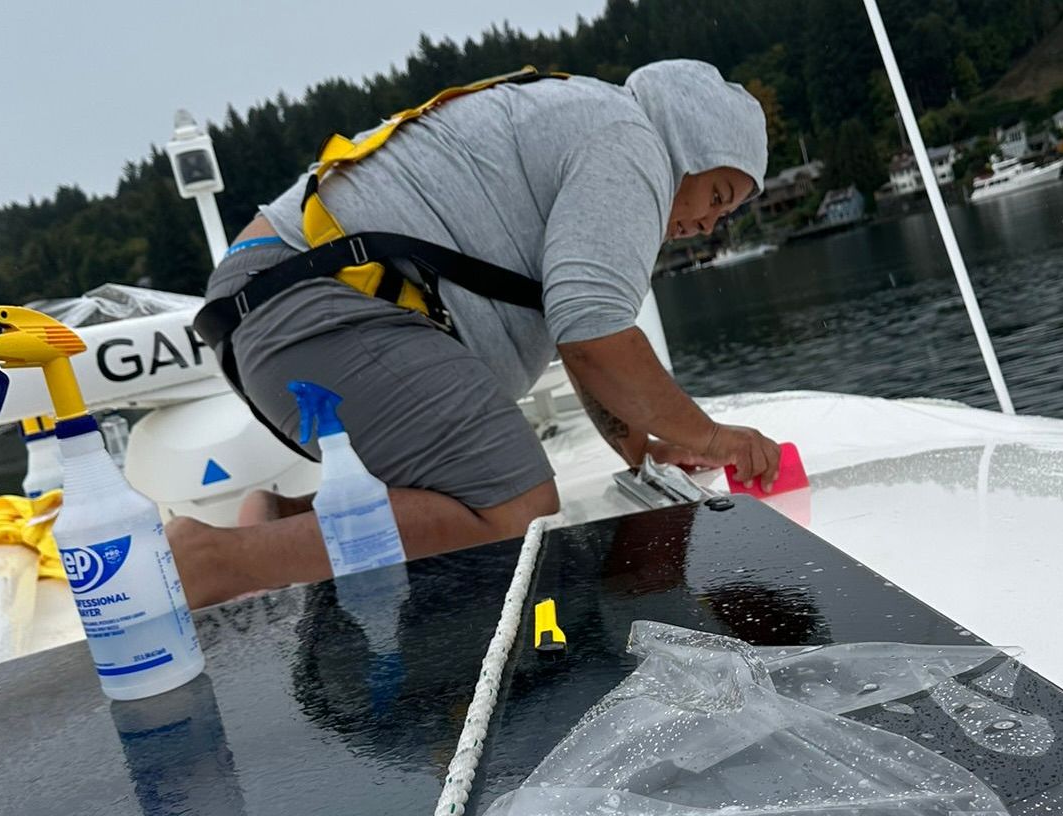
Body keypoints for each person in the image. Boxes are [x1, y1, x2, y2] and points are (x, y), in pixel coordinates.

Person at [170, 60, 782, 607]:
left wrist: (641, 449)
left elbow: (578, 332)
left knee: (475, 488)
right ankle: (213, 561)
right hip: (308, 306)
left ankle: (274, 524)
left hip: (277, 304)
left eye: (725, 215)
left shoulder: (586, 117)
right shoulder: (634, 144)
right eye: (717, 195)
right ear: (688, 148)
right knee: (515, 508)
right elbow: (593, 333)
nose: (707, 223)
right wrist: (711, 435)